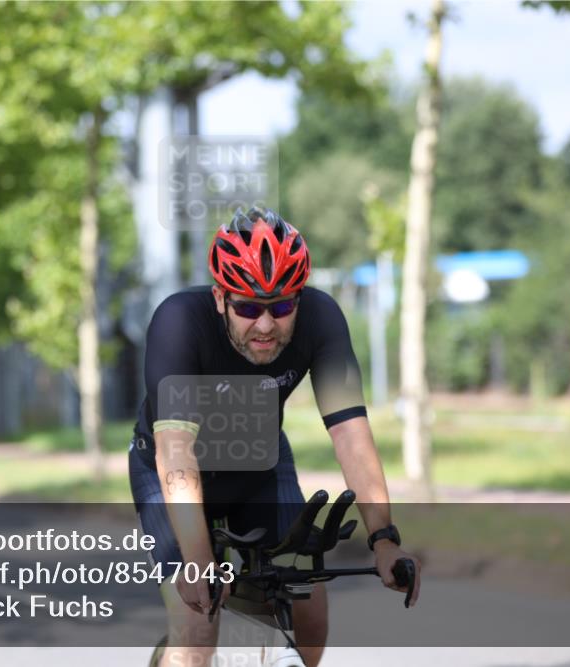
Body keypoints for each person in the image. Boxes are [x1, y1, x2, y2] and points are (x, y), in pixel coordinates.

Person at [128, 207, 420, 667]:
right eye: (247, 307)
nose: (265, 325)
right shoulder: (179, 321)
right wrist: (200, 562)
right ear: (221, 297)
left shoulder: (322, 318)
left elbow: (351, 435)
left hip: (259, 461)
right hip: (169, 470)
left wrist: (384, 538)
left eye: (282, 306)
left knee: (311, 613)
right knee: (198, 628)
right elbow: (175, 452)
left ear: (299, 299)